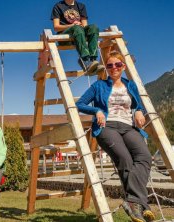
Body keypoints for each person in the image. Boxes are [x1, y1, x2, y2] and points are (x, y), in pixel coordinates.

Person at [76, 51, 154, 222]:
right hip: (107, 127)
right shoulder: (99, 86)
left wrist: (140, 110)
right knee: (125, 159)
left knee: (145, 157)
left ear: (123, 67)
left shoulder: (130, 85)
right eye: (110, 65)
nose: (114, 68)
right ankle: (140, 204)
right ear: (107, 68)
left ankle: (134, 202)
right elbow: (79, 104)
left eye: (117, 65)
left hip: (128, 126)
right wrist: (96, 110)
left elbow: (138, 104)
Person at [51, 0, 104, 75]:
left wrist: (81, 26)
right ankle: (85, 60)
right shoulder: (58, 6)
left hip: (79, 33)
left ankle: (93, 60)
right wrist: (72, 25)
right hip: (64, 37)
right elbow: (56, 27)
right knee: (77, 28)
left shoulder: (81, 6)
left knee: (93, 27)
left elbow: (85, 25)